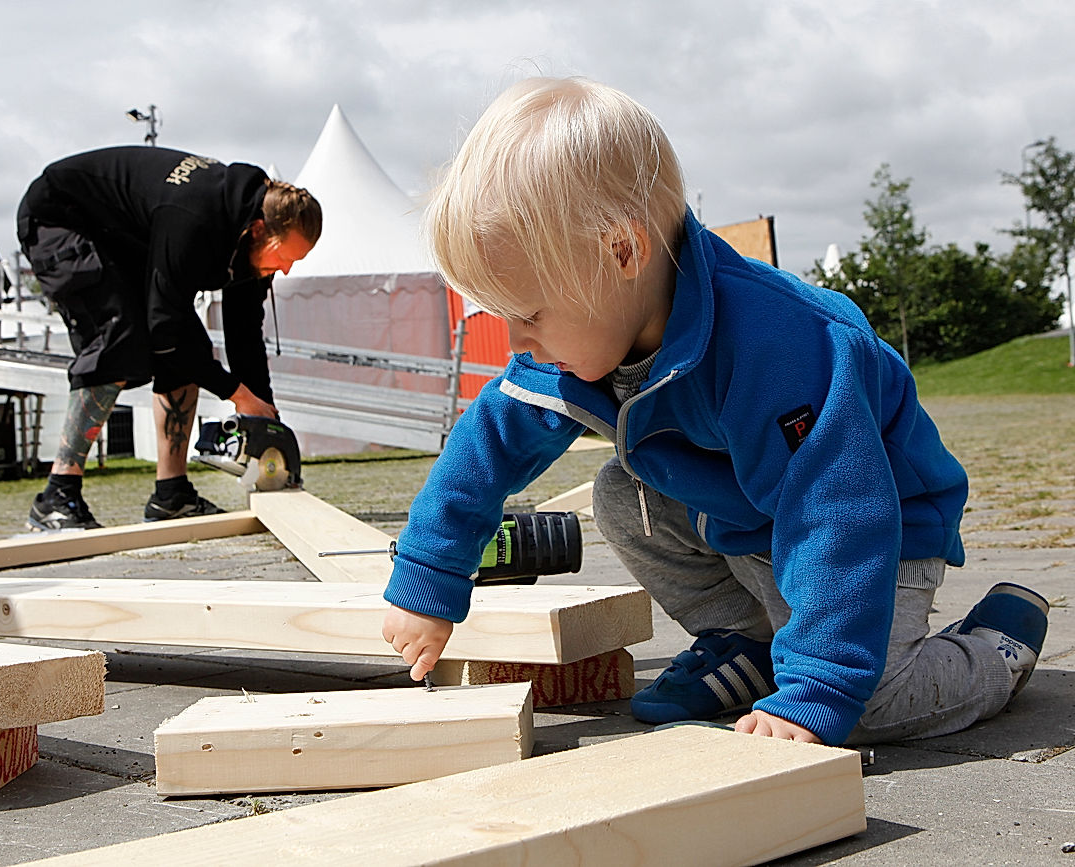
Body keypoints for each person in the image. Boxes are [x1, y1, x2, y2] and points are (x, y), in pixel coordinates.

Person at [380, 77, 1050, 746]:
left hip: (880, 527)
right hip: (751, 513)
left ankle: (994, 647)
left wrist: (817, 689)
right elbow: (486, 447)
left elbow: (836, 516)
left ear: (621, 251)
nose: (514, 342)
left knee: (865, 703)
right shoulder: (574, 341)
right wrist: (429, 575)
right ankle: (749, 642)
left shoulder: (782, 346)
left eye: (528, 314)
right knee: (621, 495)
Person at [17, 146, 321, 530]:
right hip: (60, 216)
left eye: (295, 261)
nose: (286, 269)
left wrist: (262, 414)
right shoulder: (195, 218)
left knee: (188, 348)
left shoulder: (252, 235)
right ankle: (57, 495)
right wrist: (236, 393)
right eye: (283, 257)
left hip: (124, 236)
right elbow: (163, 326)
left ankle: (171, 496)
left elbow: (244, 333)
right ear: (259, 230)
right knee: (116, 338)